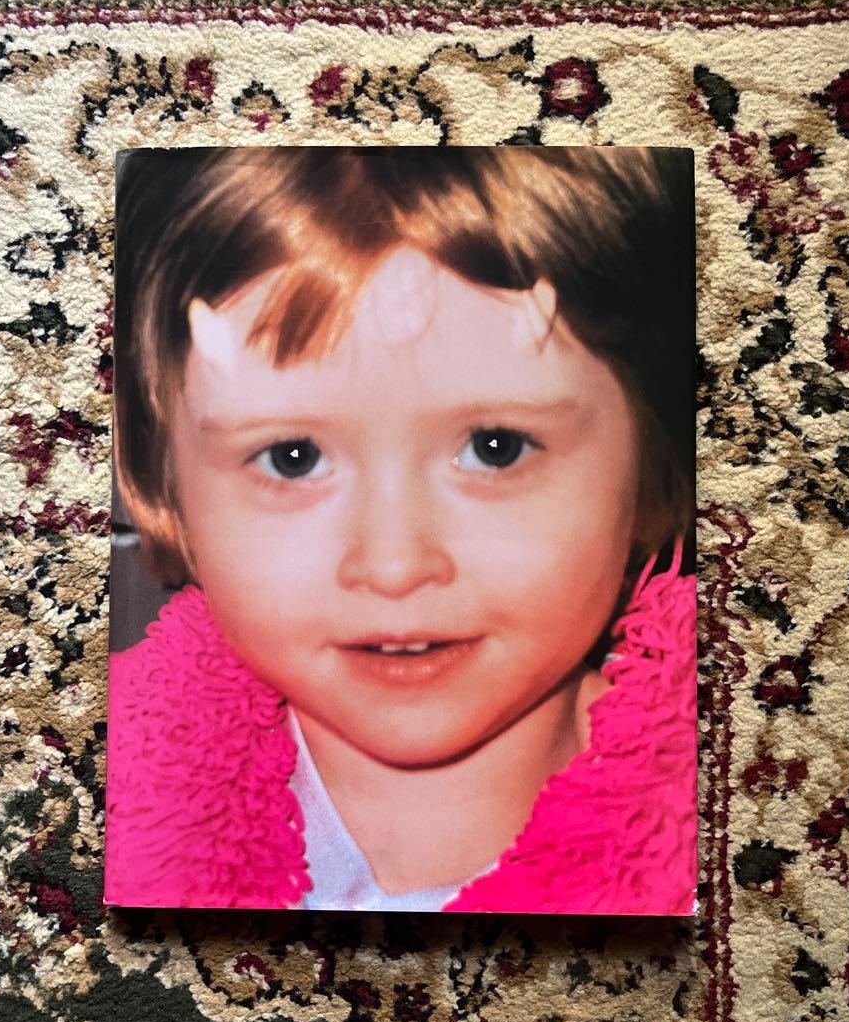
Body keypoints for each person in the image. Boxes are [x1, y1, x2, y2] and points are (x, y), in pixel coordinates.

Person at [103, 146, 697, 914]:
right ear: (162, 482)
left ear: (657, 460)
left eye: (496, 447)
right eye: (292, 457)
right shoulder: (76, 797)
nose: (393, 565)